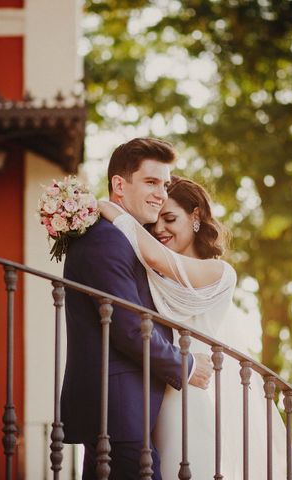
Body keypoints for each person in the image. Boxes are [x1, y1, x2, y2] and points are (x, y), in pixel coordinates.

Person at [99, 175, 292, 478]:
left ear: (195, 216)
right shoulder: (151, 272)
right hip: (149, 395)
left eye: (170, 218)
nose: (160, 229)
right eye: (155, 223)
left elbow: (155, 255)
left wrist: (108, 207)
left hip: (188, 396)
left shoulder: (219, 272)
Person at [61, 138, 214, 480]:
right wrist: (185, 364)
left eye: (165, 184)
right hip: (117, 408)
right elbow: (130, 327)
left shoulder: (125, 237)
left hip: (124, 408)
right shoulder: (106, 239)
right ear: (119, 184)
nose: (161, 193)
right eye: (151, 182)